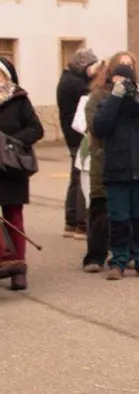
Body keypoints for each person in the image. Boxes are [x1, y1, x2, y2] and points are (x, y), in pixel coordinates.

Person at [93, 61, 139, 280]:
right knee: (119, 219)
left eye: (127, 82)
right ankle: (118, 261)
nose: (124, 85)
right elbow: (99, 126)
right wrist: (116, 97)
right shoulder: (106, 103)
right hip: (117, 170)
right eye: (119, 81)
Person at [81, 53, 133, 272]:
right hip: (104, 158)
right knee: (100, 208)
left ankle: (125, 252)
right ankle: (95, 256)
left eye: (129, 66)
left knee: (127, 210)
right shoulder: (97, 96)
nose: (125, 70)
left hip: (128, 160)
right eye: (121, 65)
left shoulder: (137, 96)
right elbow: (95, 127)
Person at [0, 57, 45, 291]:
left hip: (12, 167)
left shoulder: (19, 99)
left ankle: (18, 268)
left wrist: (11, 142)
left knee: (13, 218)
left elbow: (36, 129)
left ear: (7, 77)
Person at [56, 48, 97, 239]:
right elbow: (94, 92)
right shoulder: (74, 83)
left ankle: (71, 221)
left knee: (76, 178)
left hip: (73, 135)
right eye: (91, 66)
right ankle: (77, 221)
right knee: (79, 178)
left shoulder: (71, 78)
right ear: (83, 64)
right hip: (77, 137)